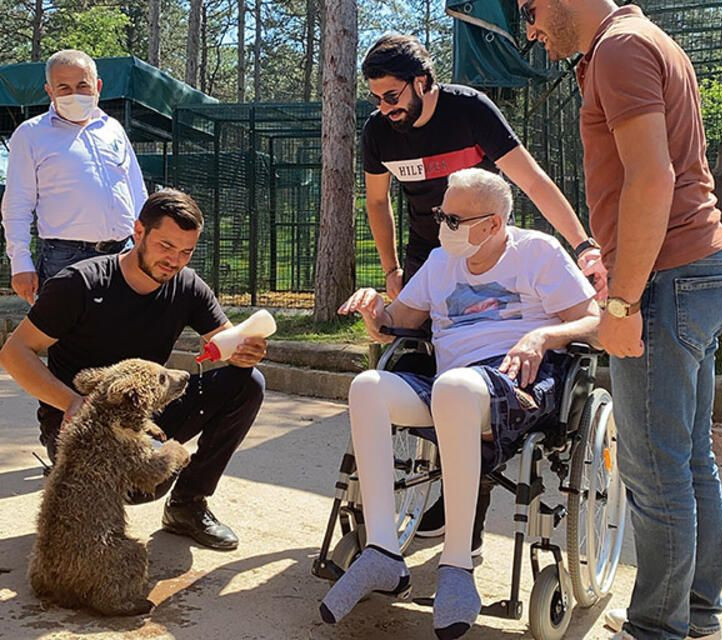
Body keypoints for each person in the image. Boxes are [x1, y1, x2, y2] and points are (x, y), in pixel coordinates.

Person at [520, 2, 722, 639]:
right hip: (701, 267)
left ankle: (657, 629)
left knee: (654, 469)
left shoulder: (619, 50)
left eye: (529, 11)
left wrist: (621, 303)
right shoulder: (642, 41)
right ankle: (697, 612)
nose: (531, 31)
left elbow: (652, 179)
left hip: (667, 279)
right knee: (688, 457)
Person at [321, 168, 599, 639]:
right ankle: (384, 552)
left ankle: (456, 566)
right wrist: (374, 312)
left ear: (493, 224)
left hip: (518, 382)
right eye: (441, 214)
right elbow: (395, 324)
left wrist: (543, 334)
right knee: (368, 385)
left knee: (453, 388)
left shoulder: (537, 252)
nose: (442, 225)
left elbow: (593, 322)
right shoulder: (438, 262)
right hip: (452, 381)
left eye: (454, 218)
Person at [360, 33, 607, 545]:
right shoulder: (379, 133)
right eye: (374, 98)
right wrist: (390, 275)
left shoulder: (470, 111)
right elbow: (377, 204)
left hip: (487, 240)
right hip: (430, 258)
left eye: (391, 96)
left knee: (474, 380)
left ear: (421, 82)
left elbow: (533, 181)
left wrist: (582, 245)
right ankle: (438, 499)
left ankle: (463, 514)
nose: (383, 108)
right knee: (423, 363)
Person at [0, 189, 266, 551]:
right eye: (166, 246)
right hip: (80, 423)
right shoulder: (80, 283)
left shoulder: (187, 285)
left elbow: (227, 343)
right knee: (145, 483)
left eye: (186, 252)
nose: (175, 260)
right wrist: (72, 404)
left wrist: (246, 350)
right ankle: (75, 479)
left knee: (248, 383)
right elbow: (15, 353)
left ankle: (188, 505)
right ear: (138, 232)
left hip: (147, 416)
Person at [1, 49, 148, 305]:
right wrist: (20, 263)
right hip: (66, 258)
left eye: (82, 85)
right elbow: (17, 204)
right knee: (69, 340)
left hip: (124, 253)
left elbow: (136, 189)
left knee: (124, 336)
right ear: (49, 91)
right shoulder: (30, 134)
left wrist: (145, 244)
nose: (74, 94)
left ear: (98, 86)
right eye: (64, 88)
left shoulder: (113, 128)